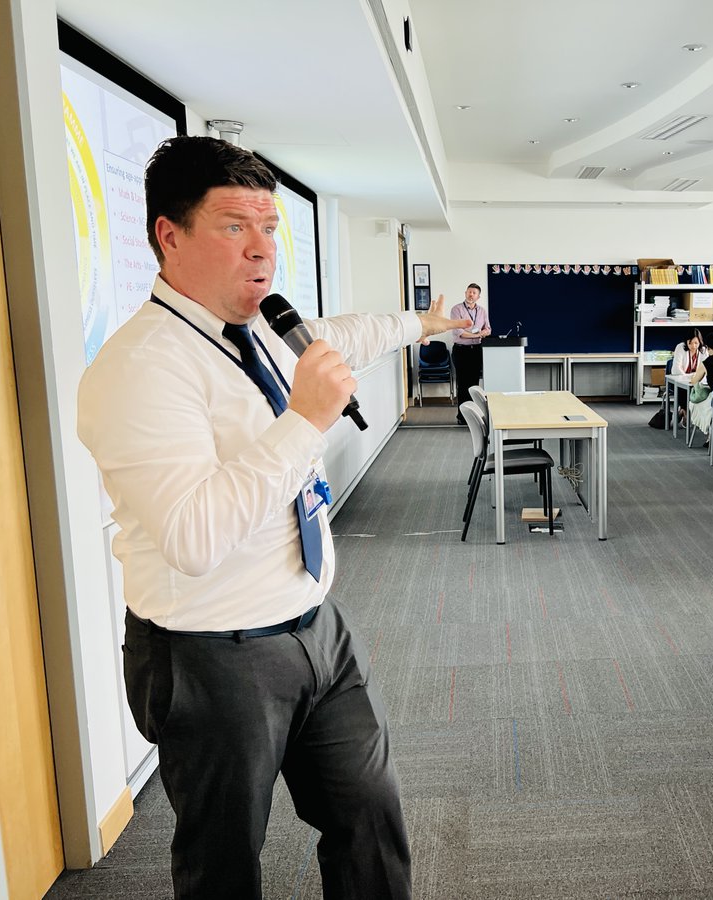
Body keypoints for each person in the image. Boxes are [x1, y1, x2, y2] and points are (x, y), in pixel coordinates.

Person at [76, 137, 470, 899]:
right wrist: (303, 422)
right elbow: (193, 538)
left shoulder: (262, 328)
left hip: (315, 625)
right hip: (211, 657)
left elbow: (349, 335)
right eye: (234, 227)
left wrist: (426, 323)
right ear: (170, 234)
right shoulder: (138, 369)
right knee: (223, 862)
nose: (262, 249)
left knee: (369, 816)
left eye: (270, 227)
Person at [450, 283, 491, 423]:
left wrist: (484, 332)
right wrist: (477, 335)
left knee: (474, 384)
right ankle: (462, 417)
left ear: (478, 296)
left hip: (476, 351)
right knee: (463, 384)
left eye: (474, 293)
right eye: (469, 292)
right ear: (465, 293)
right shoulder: (457, 309)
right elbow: (458, 332)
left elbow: (488, 328)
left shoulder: (482, 311)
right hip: (461, 350)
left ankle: (473, 416)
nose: (471, 294)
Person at [688, 332, 713, 438]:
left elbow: (694, 381)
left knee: (694, 403)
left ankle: (711, 433)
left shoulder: (706, 363)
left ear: (707, 347)